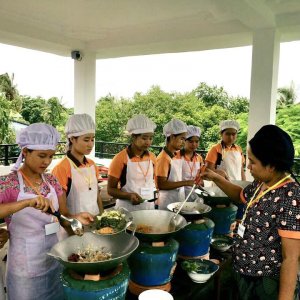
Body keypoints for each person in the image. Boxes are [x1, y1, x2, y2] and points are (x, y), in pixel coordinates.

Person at [202, 124, 300, 300]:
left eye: (253, 162)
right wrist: (216, 178)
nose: (248, 166)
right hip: (243, 272)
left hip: (266, 283)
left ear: (271, 165)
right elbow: (240, 196)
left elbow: (291, 259)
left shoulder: (290, 196)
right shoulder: (262, 183)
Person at [0, 123, 93, 300]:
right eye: (42, 156)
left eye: (50, 156)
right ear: (25, 152)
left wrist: (76, 218)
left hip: (53, 260)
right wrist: (27, 202)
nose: (47, 162)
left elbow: (63, 216)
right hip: (24, 271)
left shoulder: (51, 180)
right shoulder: (8, 183)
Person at [52, 113, 103, 220]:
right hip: (75, 227)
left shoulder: (92, 165)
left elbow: (97, 195)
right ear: (72, 139)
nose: (91, 144)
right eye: (86, 139)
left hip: (95, 223)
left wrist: (101, 216)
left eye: (92, 139)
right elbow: (61, 209)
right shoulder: (62, 168)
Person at [107, 114, 157, 211]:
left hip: (148, 207)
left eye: (150, 138)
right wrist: (128, 195)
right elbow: (110, 190)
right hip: (127, 208)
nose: (148, 142)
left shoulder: (152, 157)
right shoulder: (120, 158)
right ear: (133, 137)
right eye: (144, 138)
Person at [156, 119, 195, 210]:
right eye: (181, 139)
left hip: (176, 200)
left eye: (185, 139)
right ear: (172, 137)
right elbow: (161, 184)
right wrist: (186, 182)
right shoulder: (163, 158)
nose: (183, 142)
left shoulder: (174, 156)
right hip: (166, 202)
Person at [180, 125, 204, 201]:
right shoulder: (176, 156)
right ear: (184, 141)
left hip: (195, 194)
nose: (194, 144)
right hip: (179, 193)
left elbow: (201, 175)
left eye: (196, 142)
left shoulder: (199, 158)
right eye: (191, 141)